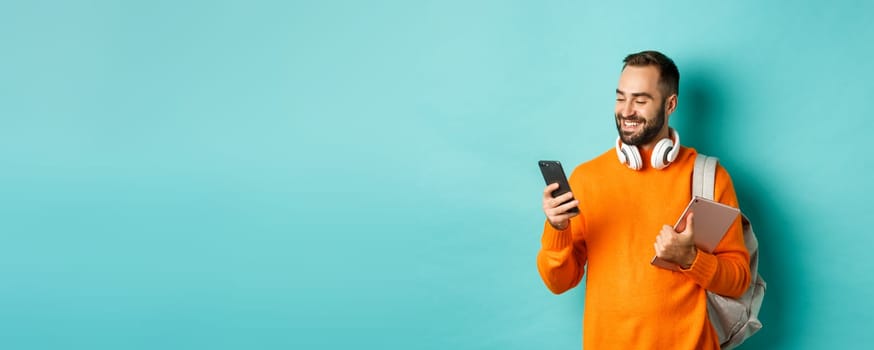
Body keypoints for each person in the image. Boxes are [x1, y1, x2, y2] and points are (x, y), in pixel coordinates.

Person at [536, 50, 751, 349]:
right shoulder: (587, 178)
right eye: (620, 97)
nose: (626, 110)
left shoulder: (709, 177)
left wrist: (691, 259)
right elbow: (558, 283)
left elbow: (739, 280)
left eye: (640, 100)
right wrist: (557, 229)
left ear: (670, 104)